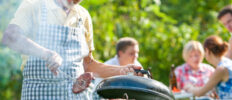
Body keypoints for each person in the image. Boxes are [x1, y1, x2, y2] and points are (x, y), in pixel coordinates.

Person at [1, 0, 141, 99]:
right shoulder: (34, 5)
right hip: (39, 94)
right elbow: (10, 37)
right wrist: (45, 53)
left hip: (77, 96)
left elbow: (88, 65)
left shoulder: (83, 16)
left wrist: (122, 71)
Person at [184, 36, 232, 100]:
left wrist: (190, 87)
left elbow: (199, 93)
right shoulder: (228, 62)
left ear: (207, 51)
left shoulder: (221, 69)